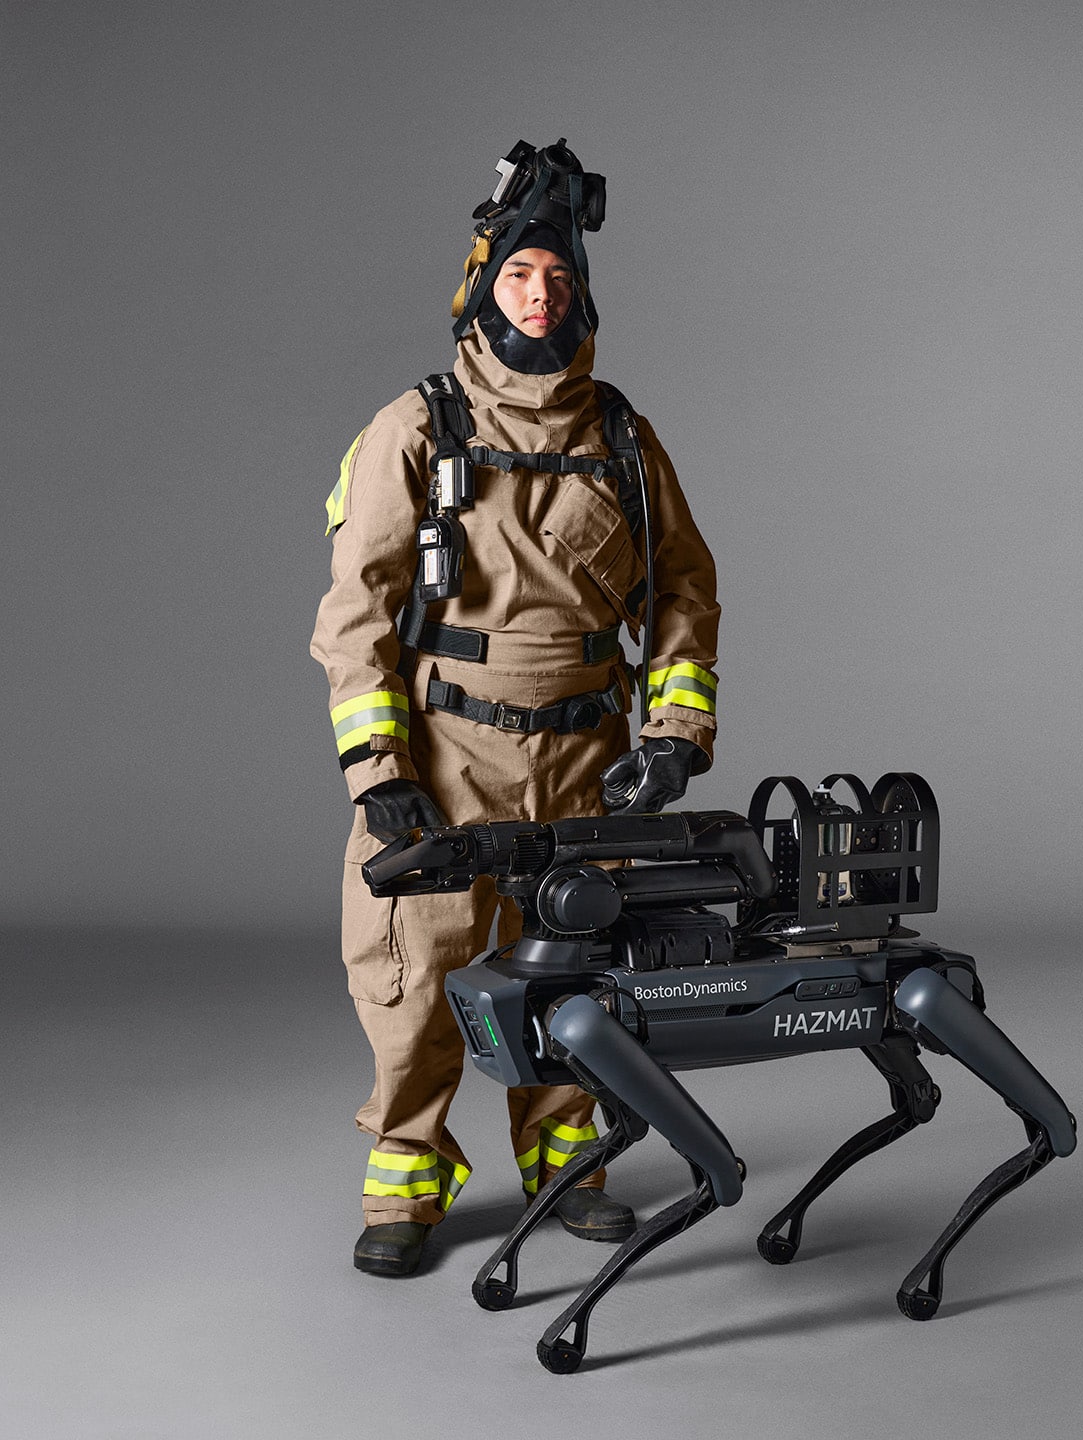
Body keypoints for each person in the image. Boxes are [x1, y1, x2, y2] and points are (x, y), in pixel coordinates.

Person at [311, 139, 720, 1277]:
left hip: (587, 756)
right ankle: (407, 1171)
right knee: (418, 973)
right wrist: (380, 774)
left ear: (582, 294)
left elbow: (684, 589)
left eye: (558, 277)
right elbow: (355, 616)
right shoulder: (416, 428)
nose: (539, 296)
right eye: (519, 275)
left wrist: (674, 738)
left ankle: (568, 1160)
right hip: (449, 749)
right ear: (481, 288)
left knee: (575, 965)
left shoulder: (622, 436)